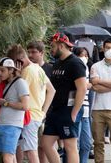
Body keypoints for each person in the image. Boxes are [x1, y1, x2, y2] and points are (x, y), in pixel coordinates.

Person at [41, 32, 87, 163]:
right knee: (45, 143)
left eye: (53, 46)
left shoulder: (75, 63)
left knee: (69, 146)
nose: (51, 49)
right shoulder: (56, 63)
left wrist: (74, 112)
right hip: (56, 110)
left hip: (68, 110)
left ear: (61, 45)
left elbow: (82, 89)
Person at [7, 44, 55, 163]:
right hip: (36, 115)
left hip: (29, 116)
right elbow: (52, 90)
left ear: (19, 61)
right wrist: (43, 112)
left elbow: (18, 95)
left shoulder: (26, 72)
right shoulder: (37, 68)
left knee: (30, 151)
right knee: (29, 149)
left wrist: (17, 77)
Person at [0, 57, 30, 163]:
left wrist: (6, 103)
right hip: (2, 124)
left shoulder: (20, 82)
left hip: (12, 125)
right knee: (10, 156)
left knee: (7, 157)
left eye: (2, 70)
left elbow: (25, 106)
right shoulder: (6, 83)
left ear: (11, 70)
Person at [68, 47, 93, 163]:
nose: (85, 58)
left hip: (86, 111)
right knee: (74, 144)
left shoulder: (87, 69)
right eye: (82, 55)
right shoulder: (74, 68)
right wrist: (87, 85)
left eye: (86, 55)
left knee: (86, 144)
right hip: (76, 109)